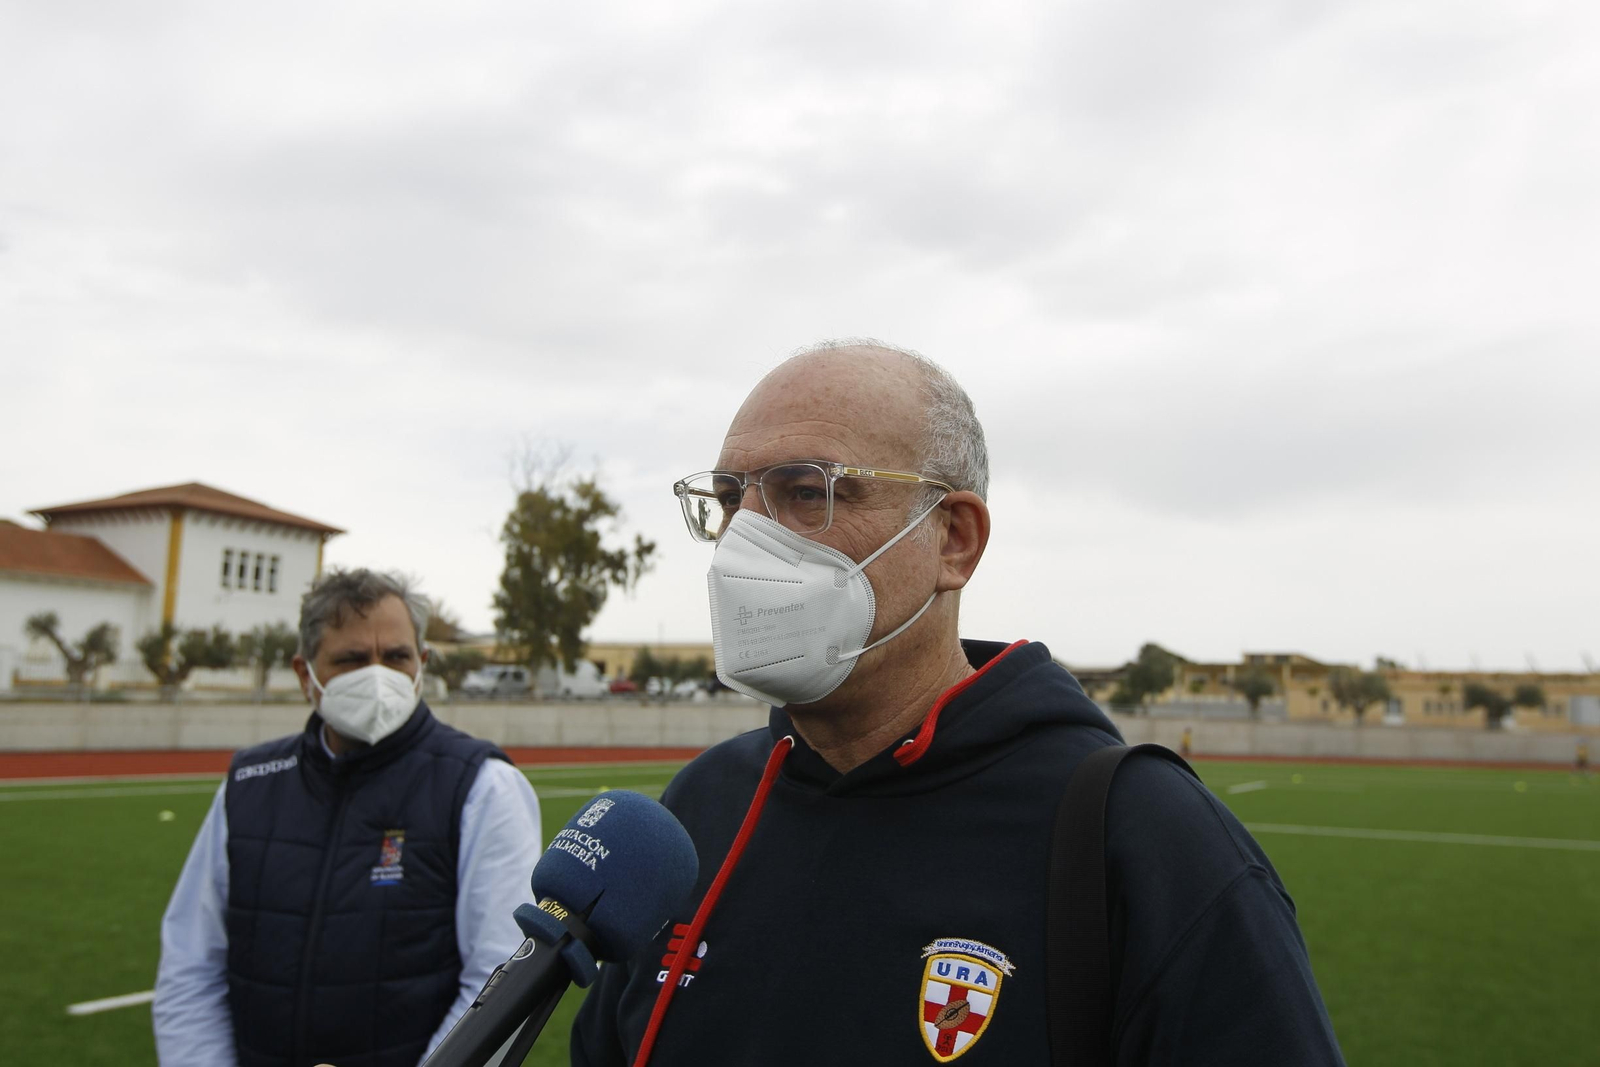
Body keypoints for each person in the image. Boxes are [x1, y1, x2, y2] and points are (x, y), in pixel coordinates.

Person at [571, 341, 1345, 1065]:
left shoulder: (1141, 838)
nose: (744, 540)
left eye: (808, 492)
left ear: (954, 539)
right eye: (731, 497)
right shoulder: (700, 809)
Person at [153, 569, 542, 1067]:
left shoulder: (482, 786)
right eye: (352, 660)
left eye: (397, 657)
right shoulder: (249, 784)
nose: (378, 676)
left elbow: (497, 982)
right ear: (305, 675)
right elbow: (190, 966)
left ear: (422, 664)